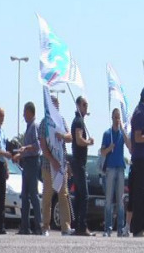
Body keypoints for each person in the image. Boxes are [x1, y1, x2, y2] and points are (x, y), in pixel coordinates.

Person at [39, 96, 75, 236]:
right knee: (48, 195)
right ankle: (45, 227)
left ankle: (66, 227)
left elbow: (70, 137)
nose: (57, 108)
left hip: (61, 167)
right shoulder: (44, 124)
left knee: (63, 194)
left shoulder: (62, 121)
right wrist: (52, 160)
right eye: (55, 105)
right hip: (48, 166)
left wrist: (63, 136)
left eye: (58, 105)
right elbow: (43, 146)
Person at [100, 108, 132, 237]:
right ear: (112, 118)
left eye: (119, 117)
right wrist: (109, 148)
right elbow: (102, 152)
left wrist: (124, 131)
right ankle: (108, 228)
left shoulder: (121, 134)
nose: (117, 119)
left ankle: (120, 228)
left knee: (120, 199)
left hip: (120, 168)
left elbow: (130, 146)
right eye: (115, 117)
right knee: (108, 200)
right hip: (110, 168)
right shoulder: (107, 134)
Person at [13, 102, 42, 235]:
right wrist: (20, 154)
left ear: (30, 112)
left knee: (33, 195)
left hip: (32, 163)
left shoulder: (34, 126)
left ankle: (38, 226)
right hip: (27, 162)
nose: (23, 115)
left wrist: (26, 148)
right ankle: (25, 226)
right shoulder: (29, 127)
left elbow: (37, 145)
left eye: (25, 112)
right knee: (24, 195)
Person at [129, 88, 144, 237]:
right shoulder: (140, 113)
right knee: (138, 194)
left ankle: (143, 227)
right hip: (140, 158)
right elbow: (138, 138)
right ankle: (137, 229)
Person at [71, 96, 95, 236]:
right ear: (78, 106)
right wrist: (89, 142)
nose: (86, 108)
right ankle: (82, 226)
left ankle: (78, 226)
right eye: (84, 105)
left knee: (79, 195)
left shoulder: (79, 121)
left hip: (79, 161)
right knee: (84, 195)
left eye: (87, 105)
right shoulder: (79, 121)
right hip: (78, 162)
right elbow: (79, 140)